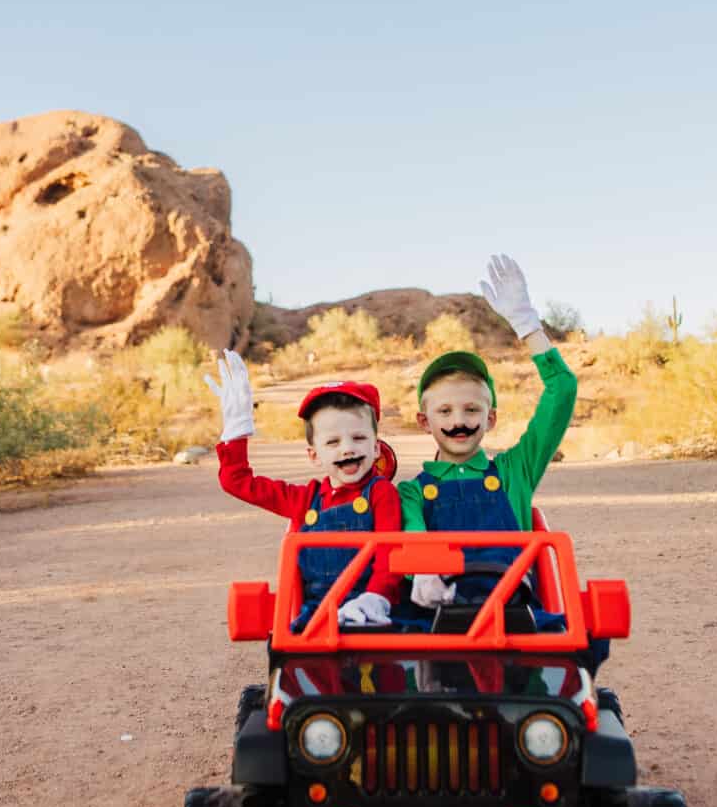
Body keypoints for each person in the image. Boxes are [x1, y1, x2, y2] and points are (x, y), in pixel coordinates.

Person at [398, 254, 577, 628]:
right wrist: (425, 572)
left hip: (517, 615)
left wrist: (527, 325)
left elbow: (562, 390)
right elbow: (412, 534)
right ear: (423, 421)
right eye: (444, 412)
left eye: (471, 410)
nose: (459, 421)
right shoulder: (411, 494)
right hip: (437, 616)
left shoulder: (515, 471)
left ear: (491, 418)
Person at [205, 351, 403, 629]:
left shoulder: (381, 494)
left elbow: (389, 552)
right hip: (316, 615)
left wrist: (376, 597)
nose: (347, 448)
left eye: (358, 438)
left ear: (375, 447)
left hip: (371, 610)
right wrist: (236, 432)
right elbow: (237, 482)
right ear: (314, 455)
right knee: (295, 658)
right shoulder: (304, 499)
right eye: (332, 442)